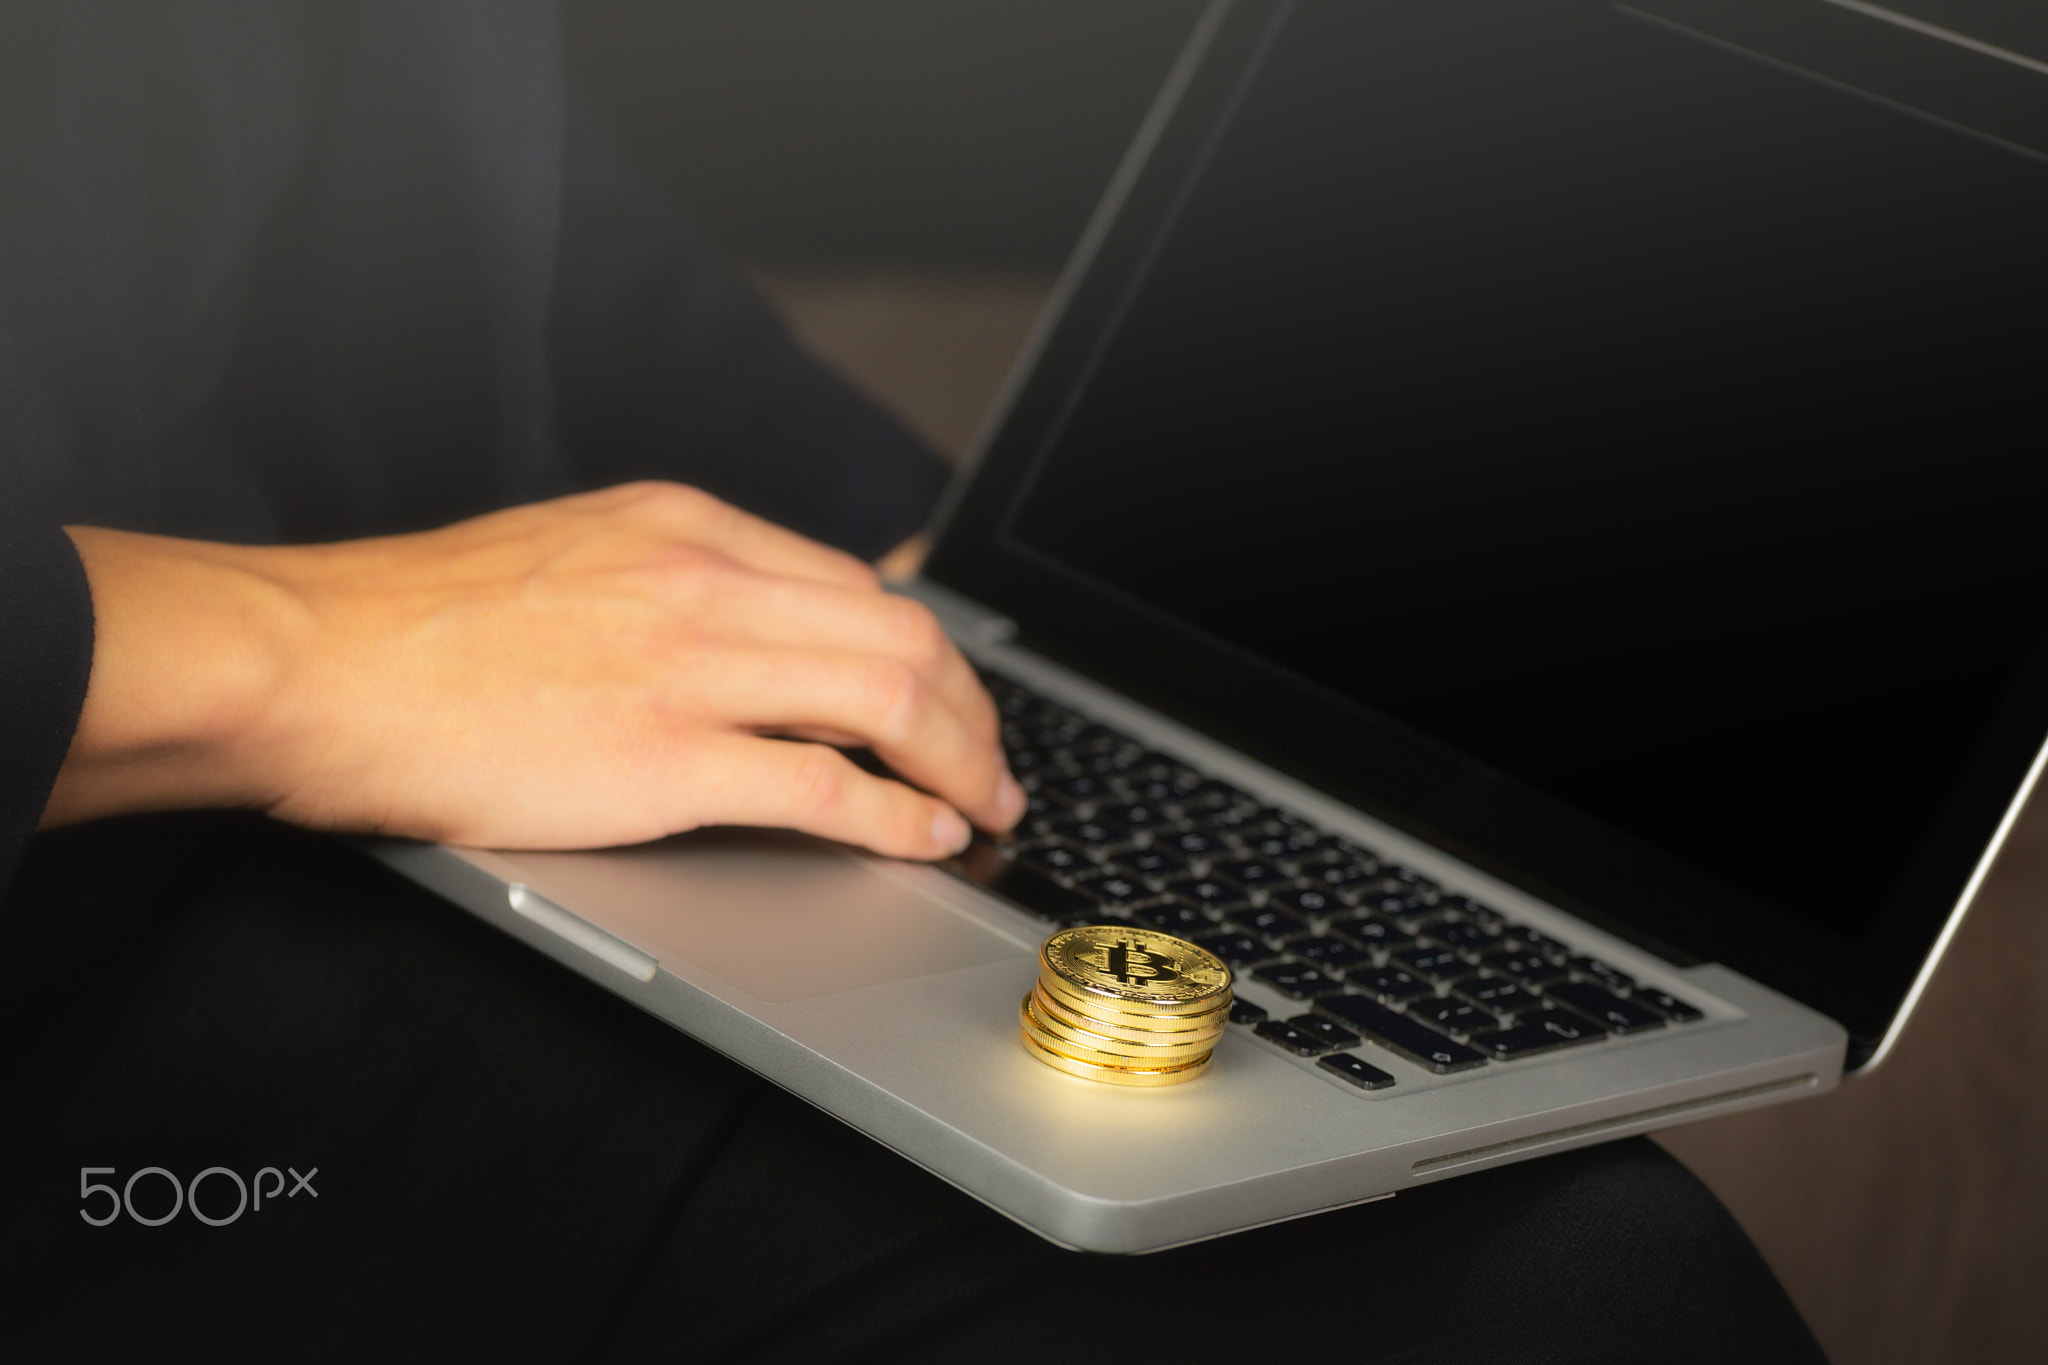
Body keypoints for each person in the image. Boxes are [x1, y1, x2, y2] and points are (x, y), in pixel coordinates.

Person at [1, 4, 1827, 1360]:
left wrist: (941, 586)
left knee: (1583, 1285)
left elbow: (478, 211)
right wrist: (300, 655)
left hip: (315, 836)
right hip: (88, 1023)